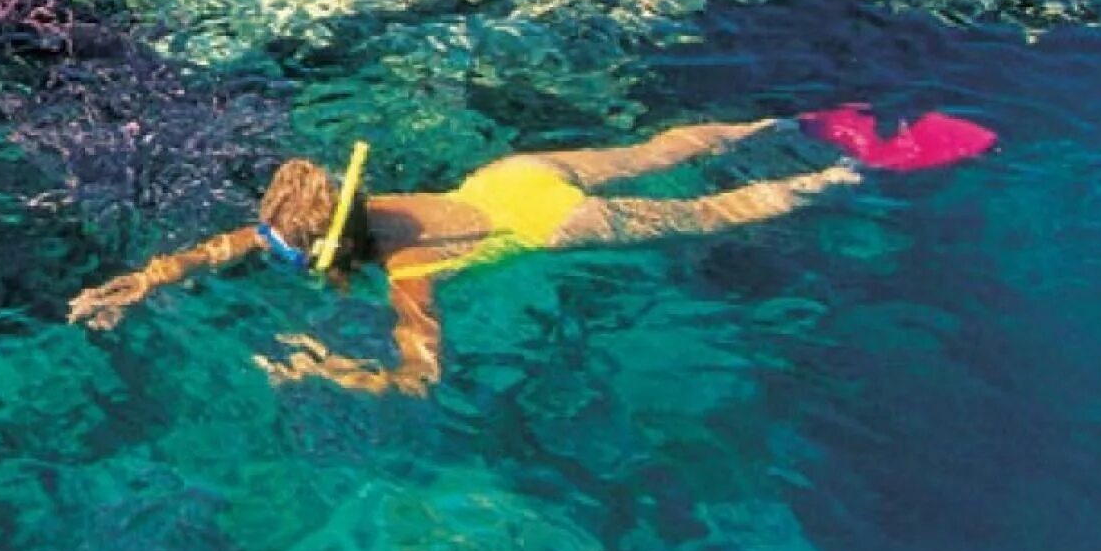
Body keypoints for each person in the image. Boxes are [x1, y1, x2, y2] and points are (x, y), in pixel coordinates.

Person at [65, 117, 866, 396]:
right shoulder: (354, 217)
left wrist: (330, 371)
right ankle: (772, 125)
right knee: (654, 149)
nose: (264, 250)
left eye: (285, 254)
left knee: (706, 212)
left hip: (555, 221)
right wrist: (140, 282)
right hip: (513, 176)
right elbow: (225, 246)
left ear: (328, 247)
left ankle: (841, 174)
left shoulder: (411, 274)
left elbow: (423, 376)